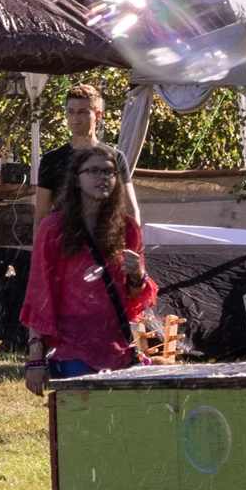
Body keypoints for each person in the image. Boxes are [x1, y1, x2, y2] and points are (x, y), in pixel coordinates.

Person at [22, 143, 157, 388]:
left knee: (119, 421)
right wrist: (36, 358)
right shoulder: (53, 228)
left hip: (117, 346)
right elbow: (39, 293)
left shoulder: (127, 229)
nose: (102, 178)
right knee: (80, 420)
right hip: (70, 346)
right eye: (93, 171)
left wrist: (138, 275)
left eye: (109, 172)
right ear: (76, 179)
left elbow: (135, 297)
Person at [33, 84, 138, 230]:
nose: (75, 118)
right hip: (65, 239)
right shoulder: (52, 159)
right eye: (70, 112)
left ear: (98, 115)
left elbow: (130, 210)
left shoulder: (114, 157)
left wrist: (134, 248)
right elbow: (41, 215)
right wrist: (38, 251)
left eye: (82, 112)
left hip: (105, 236)